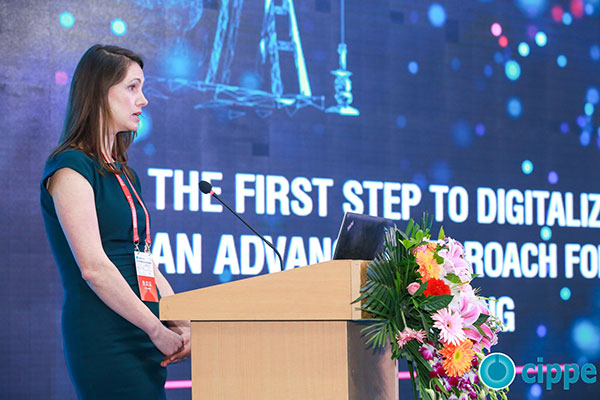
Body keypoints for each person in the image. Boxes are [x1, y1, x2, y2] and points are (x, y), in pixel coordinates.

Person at [40, 44, 190, 400]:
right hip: (106, 334)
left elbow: (144, 260)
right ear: (99, 93)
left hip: (145, 333)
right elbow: (94, 268)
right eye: (132, 87)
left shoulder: (125, 174)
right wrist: (157, 329)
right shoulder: (71, 168)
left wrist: (182, 322)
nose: (143, 100)